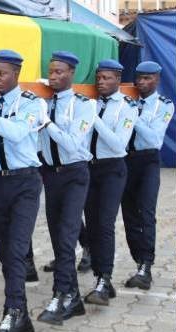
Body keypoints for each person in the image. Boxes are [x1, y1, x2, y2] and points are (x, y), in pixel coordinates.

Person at [0, 50, 45, 331]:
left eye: (1, 73)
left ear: (16, 74)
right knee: (5, 251)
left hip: (24, 184)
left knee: (17, 250)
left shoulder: (33, 103)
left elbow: (17, 133)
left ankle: (14, 309)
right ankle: (20, 315)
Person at [36, 51, 96, 325]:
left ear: (72, 73)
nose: (54, 75)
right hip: (51, 175)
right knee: (58, 237)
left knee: (67, 236)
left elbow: (72, 143)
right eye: (51, 71)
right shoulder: (44, 101)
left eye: (60, 71)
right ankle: (73, 297)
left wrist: (46, 122)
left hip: (74, 174)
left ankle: (60, 296)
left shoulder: (84, 105)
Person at [81, 59, 138, 306]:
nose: (101, 83)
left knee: (104, 224)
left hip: (112, 169)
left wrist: (94, 118)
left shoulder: (127, 107)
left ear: (118, 79)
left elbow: (118, 144)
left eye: (107, 78)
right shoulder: (90, 102)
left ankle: (104, 279)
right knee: (91, 224)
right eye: (99, 78)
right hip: (89, 169)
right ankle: (100, 276)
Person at [122, 60, 173, 290]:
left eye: (147, 78)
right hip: (125, 160)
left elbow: (153, 139)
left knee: (146, 212)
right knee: (129, 214)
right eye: (139, 78)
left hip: (148, 160)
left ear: (157, 79)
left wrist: (133, 115)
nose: (142, 83)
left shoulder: (164, 104)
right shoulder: (127, 98)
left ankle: (146, 266)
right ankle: (139, 260)